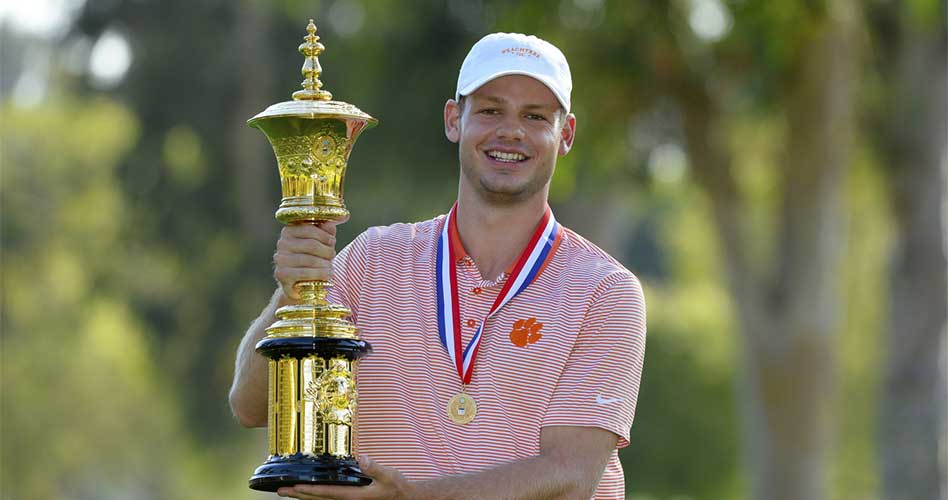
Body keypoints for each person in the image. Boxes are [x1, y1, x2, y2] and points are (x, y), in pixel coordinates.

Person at [230, 32, 647, 500]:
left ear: (565, 134)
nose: (511, 131)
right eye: (491, 110)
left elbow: (570, 475)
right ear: (454, 119)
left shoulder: (605, 291)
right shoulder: (373, 262)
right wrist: (292, 291)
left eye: (535, 116)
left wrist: (410, 498)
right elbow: (251, 405)